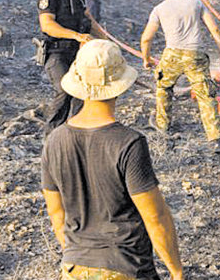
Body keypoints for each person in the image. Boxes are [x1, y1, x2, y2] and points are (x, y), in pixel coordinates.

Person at [42, 39, 184, 280]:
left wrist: (79, 258)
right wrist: (176, 271)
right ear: (120, 86)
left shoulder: (54, 140)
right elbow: (155, 218)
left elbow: (57, 214)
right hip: (126, 267)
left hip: (74, 269)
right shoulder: (128, 143)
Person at [140, 0, 220, 155]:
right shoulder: (196, 3)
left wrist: (146, 59)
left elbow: (146, 37)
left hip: (172, 55)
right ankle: (217, 141)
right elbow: (214, 29)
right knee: (206, 96)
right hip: (195, 55)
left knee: (163, 87)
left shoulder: (159, 8)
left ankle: (162, 126)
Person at [36, 0, 106, 133]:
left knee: (82, 95)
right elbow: (47, 25)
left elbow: (88, 20)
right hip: (57, 54)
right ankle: (51, 137)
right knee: (65, 90)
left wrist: (105, 41)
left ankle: (75, 134)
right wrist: (76, 35)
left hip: (78, 54)